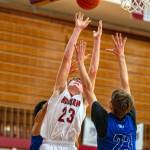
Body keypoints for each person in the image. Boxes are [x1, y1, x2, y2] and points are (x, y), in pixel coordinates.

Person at [40, 12, 102, 150]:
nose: (76, 80)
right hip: (49, 143)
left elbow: (93, 71)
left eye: (79, 81)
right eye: (73, 80)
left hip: (69, 146)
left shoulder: (84, 100)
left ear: (83, 89)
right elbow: (66, 60)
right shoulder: (60, 91)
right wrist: (77, 29)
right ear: (67, 84)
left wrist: (97, 40)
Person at [75, 33, 136, 150]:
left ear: (111, 104)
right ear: (128, 107)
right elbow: (126, 84)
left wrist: (80, 62)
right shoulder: (130, 120)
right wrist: (121, 57)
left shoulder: (104, 121)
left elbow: (88, 88)